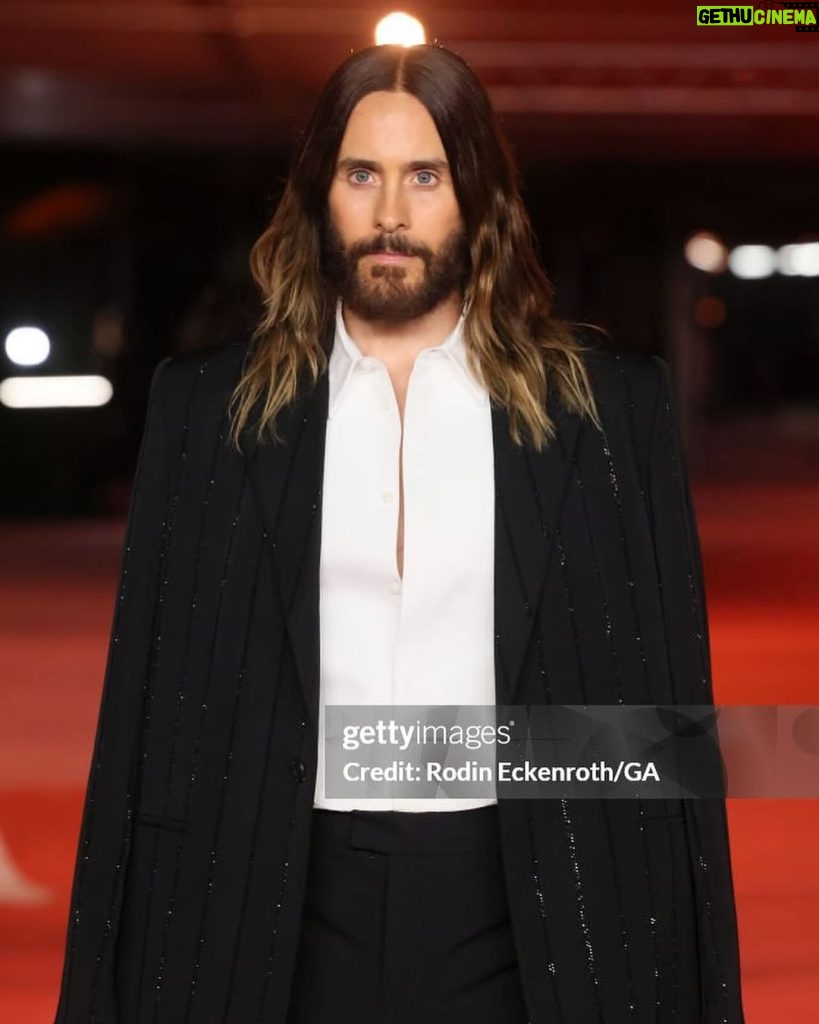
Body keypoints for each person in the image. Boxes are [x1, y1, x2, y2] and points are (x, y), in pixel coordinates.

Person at [54, 43, 745, 1024]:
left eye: (426, 176)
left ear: (478, 197)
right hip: (263, 898)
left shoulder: (609, 416)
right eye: (361, 175)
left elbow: (665, 733)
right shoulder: (206, 410)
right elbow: (138, 726)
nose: (390, 214)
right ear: (318, 197)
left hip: (525, 907)